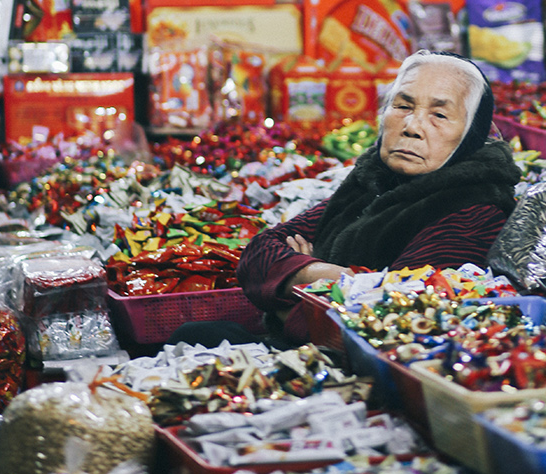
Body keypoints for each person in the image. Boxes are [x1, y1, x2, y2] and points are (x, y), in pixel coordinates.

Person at [222, 51, 519, 345]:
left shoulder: (473, 211)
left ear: (471, 135)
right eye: (403, 106)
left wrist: (291, 289)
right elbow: (257, 255)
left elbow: (391, 322)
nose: (412, 127)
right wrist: (329, 276)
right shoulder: (376, 179)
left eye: (439, 115)